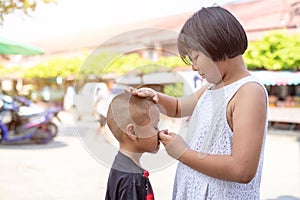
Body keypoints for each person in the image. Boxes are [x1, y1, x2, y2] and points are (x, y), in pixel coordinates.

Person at [131, 6, 268, 200]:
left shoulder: (248, 92)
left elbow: (243, 169)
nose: (194, 67)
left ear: (216, 46)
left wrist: (182, 153)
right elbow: (179, 107)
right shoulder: (212, 87)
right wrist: (157, 98)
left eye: (195, 57)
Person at [105, 92, 161, 200]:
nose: (160, 132)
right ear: (133, 132)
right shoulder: (132, 180)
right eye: (155, 127)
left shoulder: (121, 164)